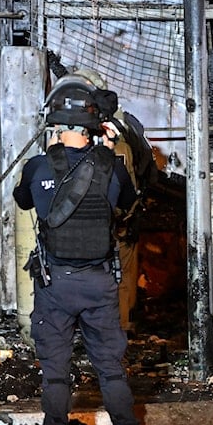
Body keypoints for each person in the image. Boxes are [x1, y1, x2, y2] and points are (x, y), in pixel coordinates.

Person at [13, 77, 143, 425]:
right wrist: (106, 151)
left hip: (55, 286)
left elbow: (22, 202)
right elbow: (129, 204)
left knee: (55, 373)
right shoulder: (113, 169)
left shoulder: (37, 167)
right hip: (100, 283)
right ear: (93, 124)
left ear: (55, 124)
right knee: (111, 371)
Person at [71, 68, 156, 335]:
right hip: (117, 219)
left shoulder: (91, 133)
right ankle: (117, 332)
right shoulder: (125, 126)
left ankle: (106, 334)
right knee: (120, 279)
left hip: (97, 224)